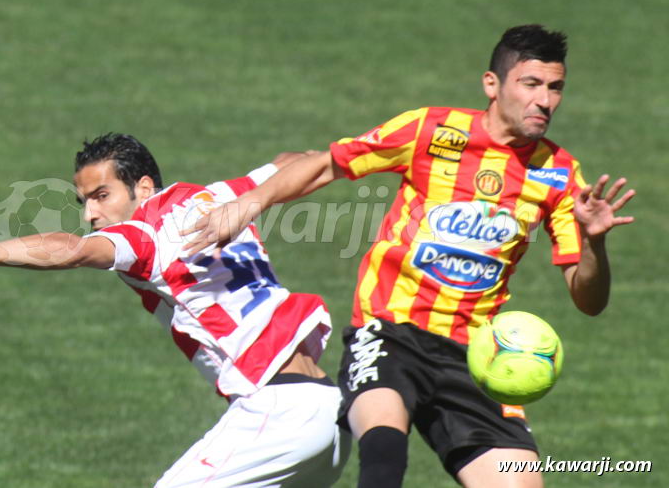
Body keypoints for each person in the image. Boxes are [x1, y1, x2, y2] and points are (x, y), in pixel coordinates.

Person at [181, 25, 636, 488]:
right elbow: (326, 163)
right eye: (531, 84)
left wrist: (594, 241)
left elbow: (589, 300)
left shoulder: (560, 174)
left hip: (478, 355)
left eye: (556, 88)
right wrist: (249, 203)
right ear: (492, 85)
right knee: (383, 455)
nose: (546, 101)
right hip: (389, 333)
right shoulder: (430, 129)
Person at [0, 133, 349, 487]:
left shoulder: (143, 236)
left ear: (143, 186)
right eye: (84, 201)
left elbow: (68, 249)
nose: (91, 214)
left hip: (278, 412)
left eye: (102, 195)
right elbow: (298, 162)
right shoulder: (221, 195)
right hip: (330, 416)